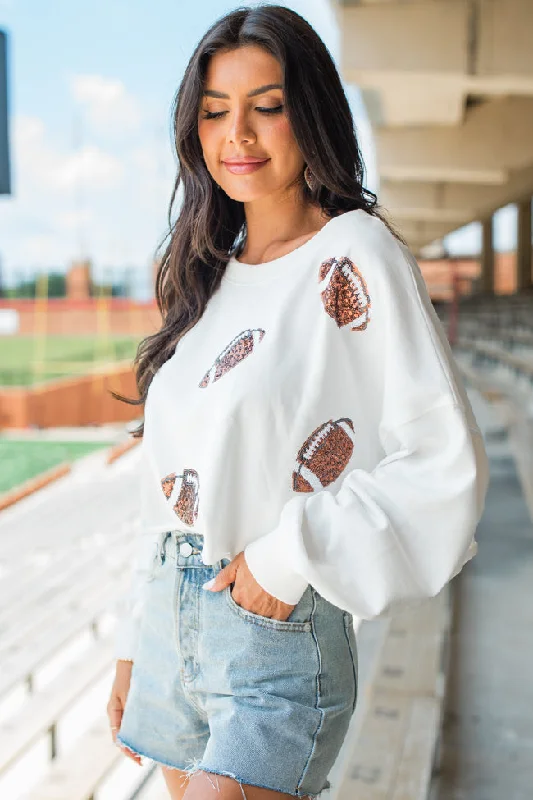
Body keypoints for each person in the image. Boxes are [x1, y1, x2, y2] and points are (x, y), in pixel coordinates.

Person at [106, 5, 489, 799]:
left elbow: (443, 458)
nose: (236, 136)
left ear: (308, 112)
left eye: (265, 106)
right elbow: (164, 487)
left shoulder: (356, 252)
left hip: (273, 625)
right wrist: (133, 641)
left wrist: (286, 556)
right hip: (172, 622)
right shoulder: (206, 277)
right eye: (214, 112)